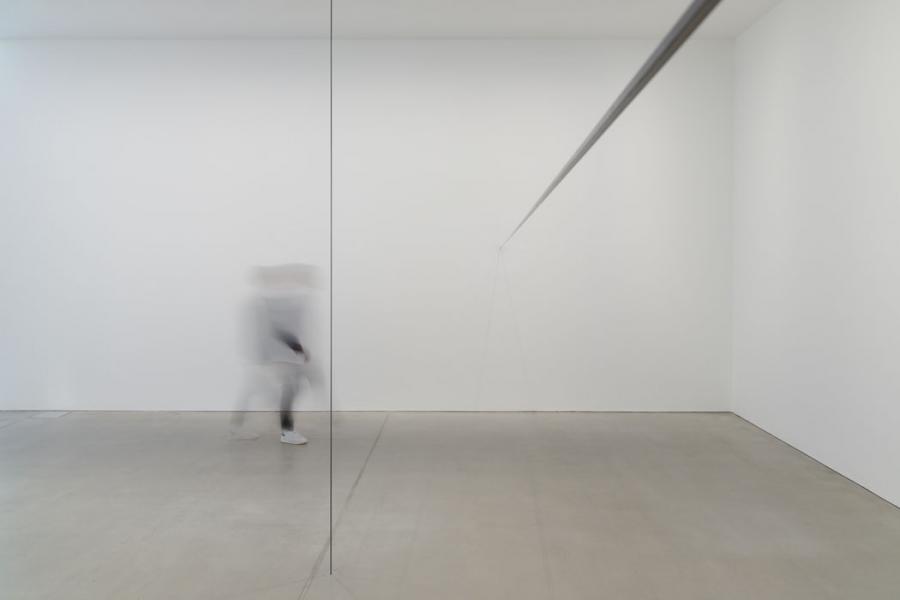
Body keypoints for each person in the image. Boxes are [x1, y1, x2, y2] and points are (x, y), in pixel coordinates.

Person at [232, 264, 317, 445]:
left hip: (271, 354)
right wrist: (297, 347)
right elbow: (275, 329)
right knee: (288, 388)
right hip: (271, 355)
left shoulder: (266, 299)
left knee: (259, 389)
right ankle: (286, 431)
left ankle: (239, 426)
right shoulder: (264, 301)